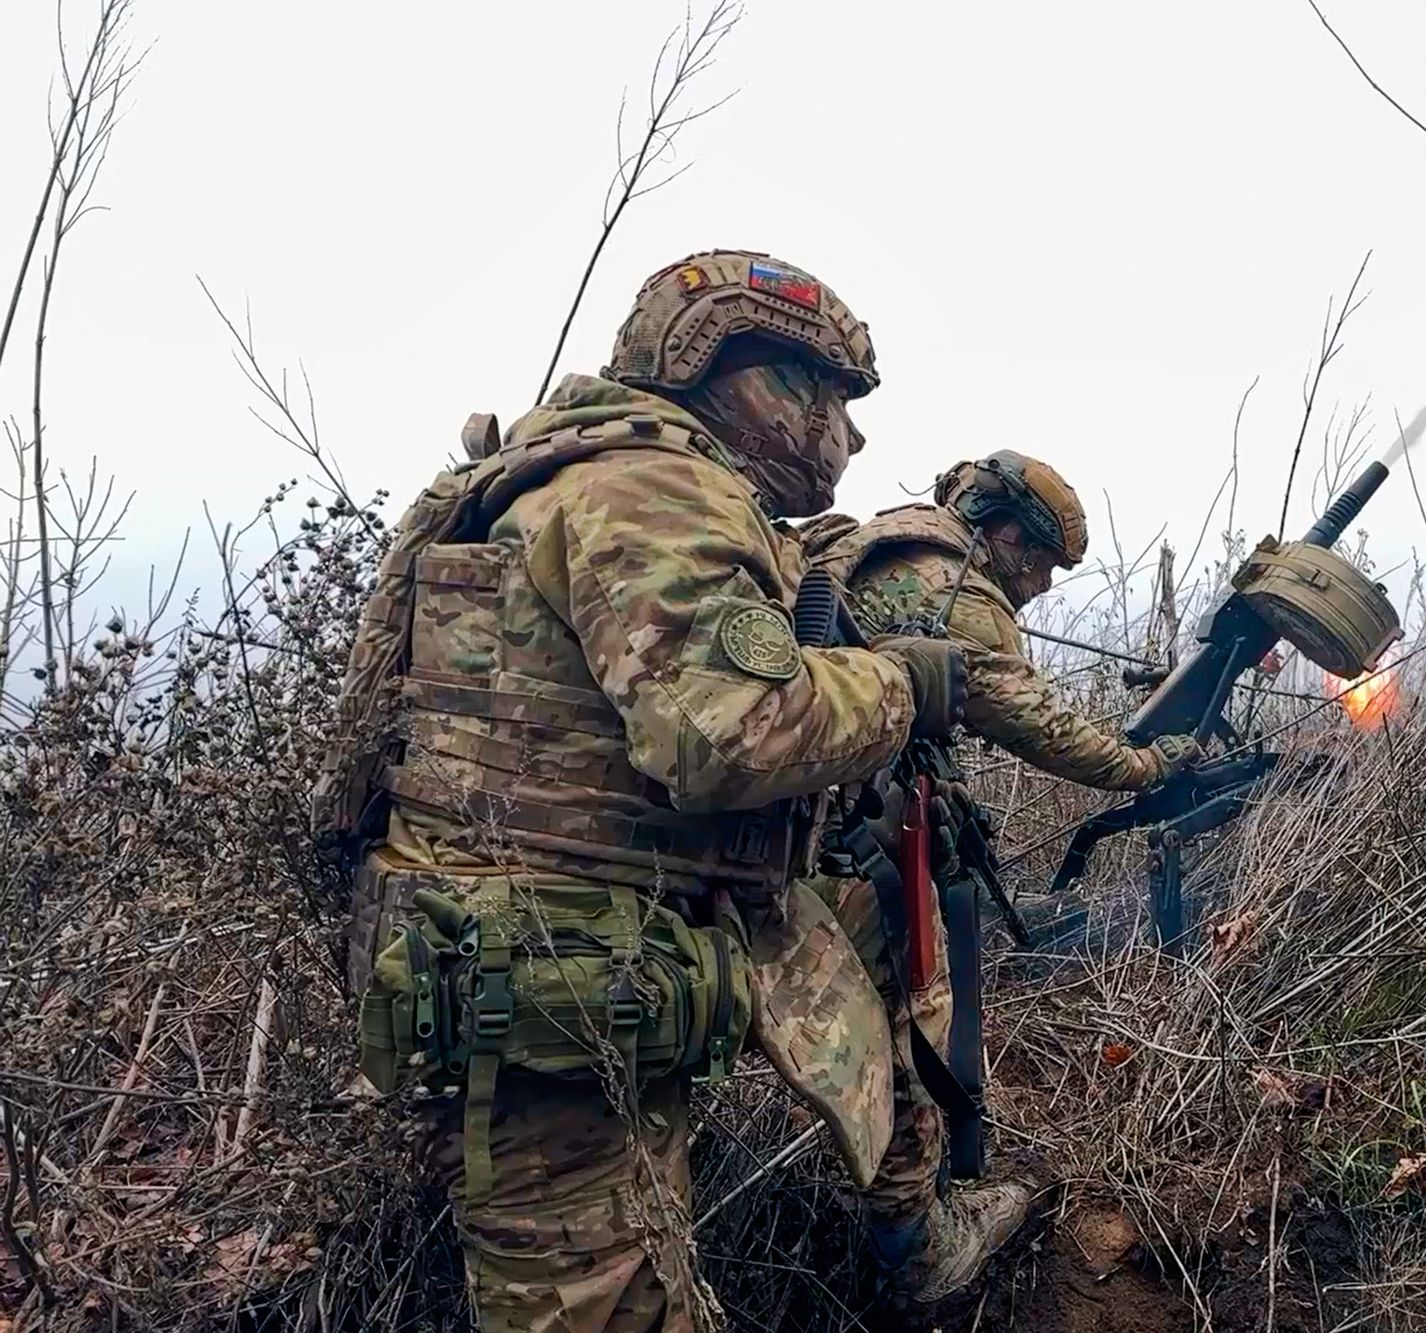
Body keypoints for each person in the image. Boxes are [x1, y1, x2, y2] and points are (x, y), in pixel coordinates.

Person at [321, 250, 966, 1332]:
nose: (847, 440)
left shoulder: (560, 470)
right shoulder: (655, 488)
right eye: (828, 402)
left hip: (524, 967)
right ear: (748, 381)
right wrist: (897, 685)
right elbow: (733, 733)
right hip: (552, 988)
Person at [802, 452, 1200, 1302]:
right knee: (913, 1023)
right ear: (1007, 533)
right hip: (852, 847)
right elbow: (1048, 730)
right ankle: (917, 1245)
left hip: (790, 834)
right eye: (1045, 564)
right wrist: (1149, 762)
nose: (1046, 586)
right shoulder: (961, 597)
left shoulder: (875, 544)